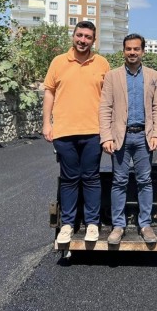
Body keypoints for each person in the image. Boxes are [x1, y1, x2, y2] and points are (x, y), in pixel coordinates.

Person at [43, 21, 110, 244]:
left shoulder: (101, 63)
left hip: (93, 131)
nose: (83, 40)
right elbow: (50, 93)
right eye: (79, 35)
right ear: (73, 36)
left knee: (91, 177)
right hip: (64, 131)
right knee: (69, 179)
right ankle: (68, 225)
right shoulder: (58, 62)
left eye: (88, 37)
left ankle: (92, 223)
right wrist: (46, 123)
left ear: (94, 40)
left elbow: (109, 98)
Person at [100, 33, 157, 244]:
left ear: (143, 51)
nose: (132, 52)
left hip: (144, 137)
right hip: (121, 137)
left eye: (136, 49)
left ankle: (144, 224)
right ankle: (118, 226)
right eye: (129, 49)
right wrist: (106, 136)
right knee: (119, 181)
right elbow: (105, 107)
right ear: (124, 50)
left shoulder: (153, 75)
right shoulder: (112, 76)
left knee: (144, 181)